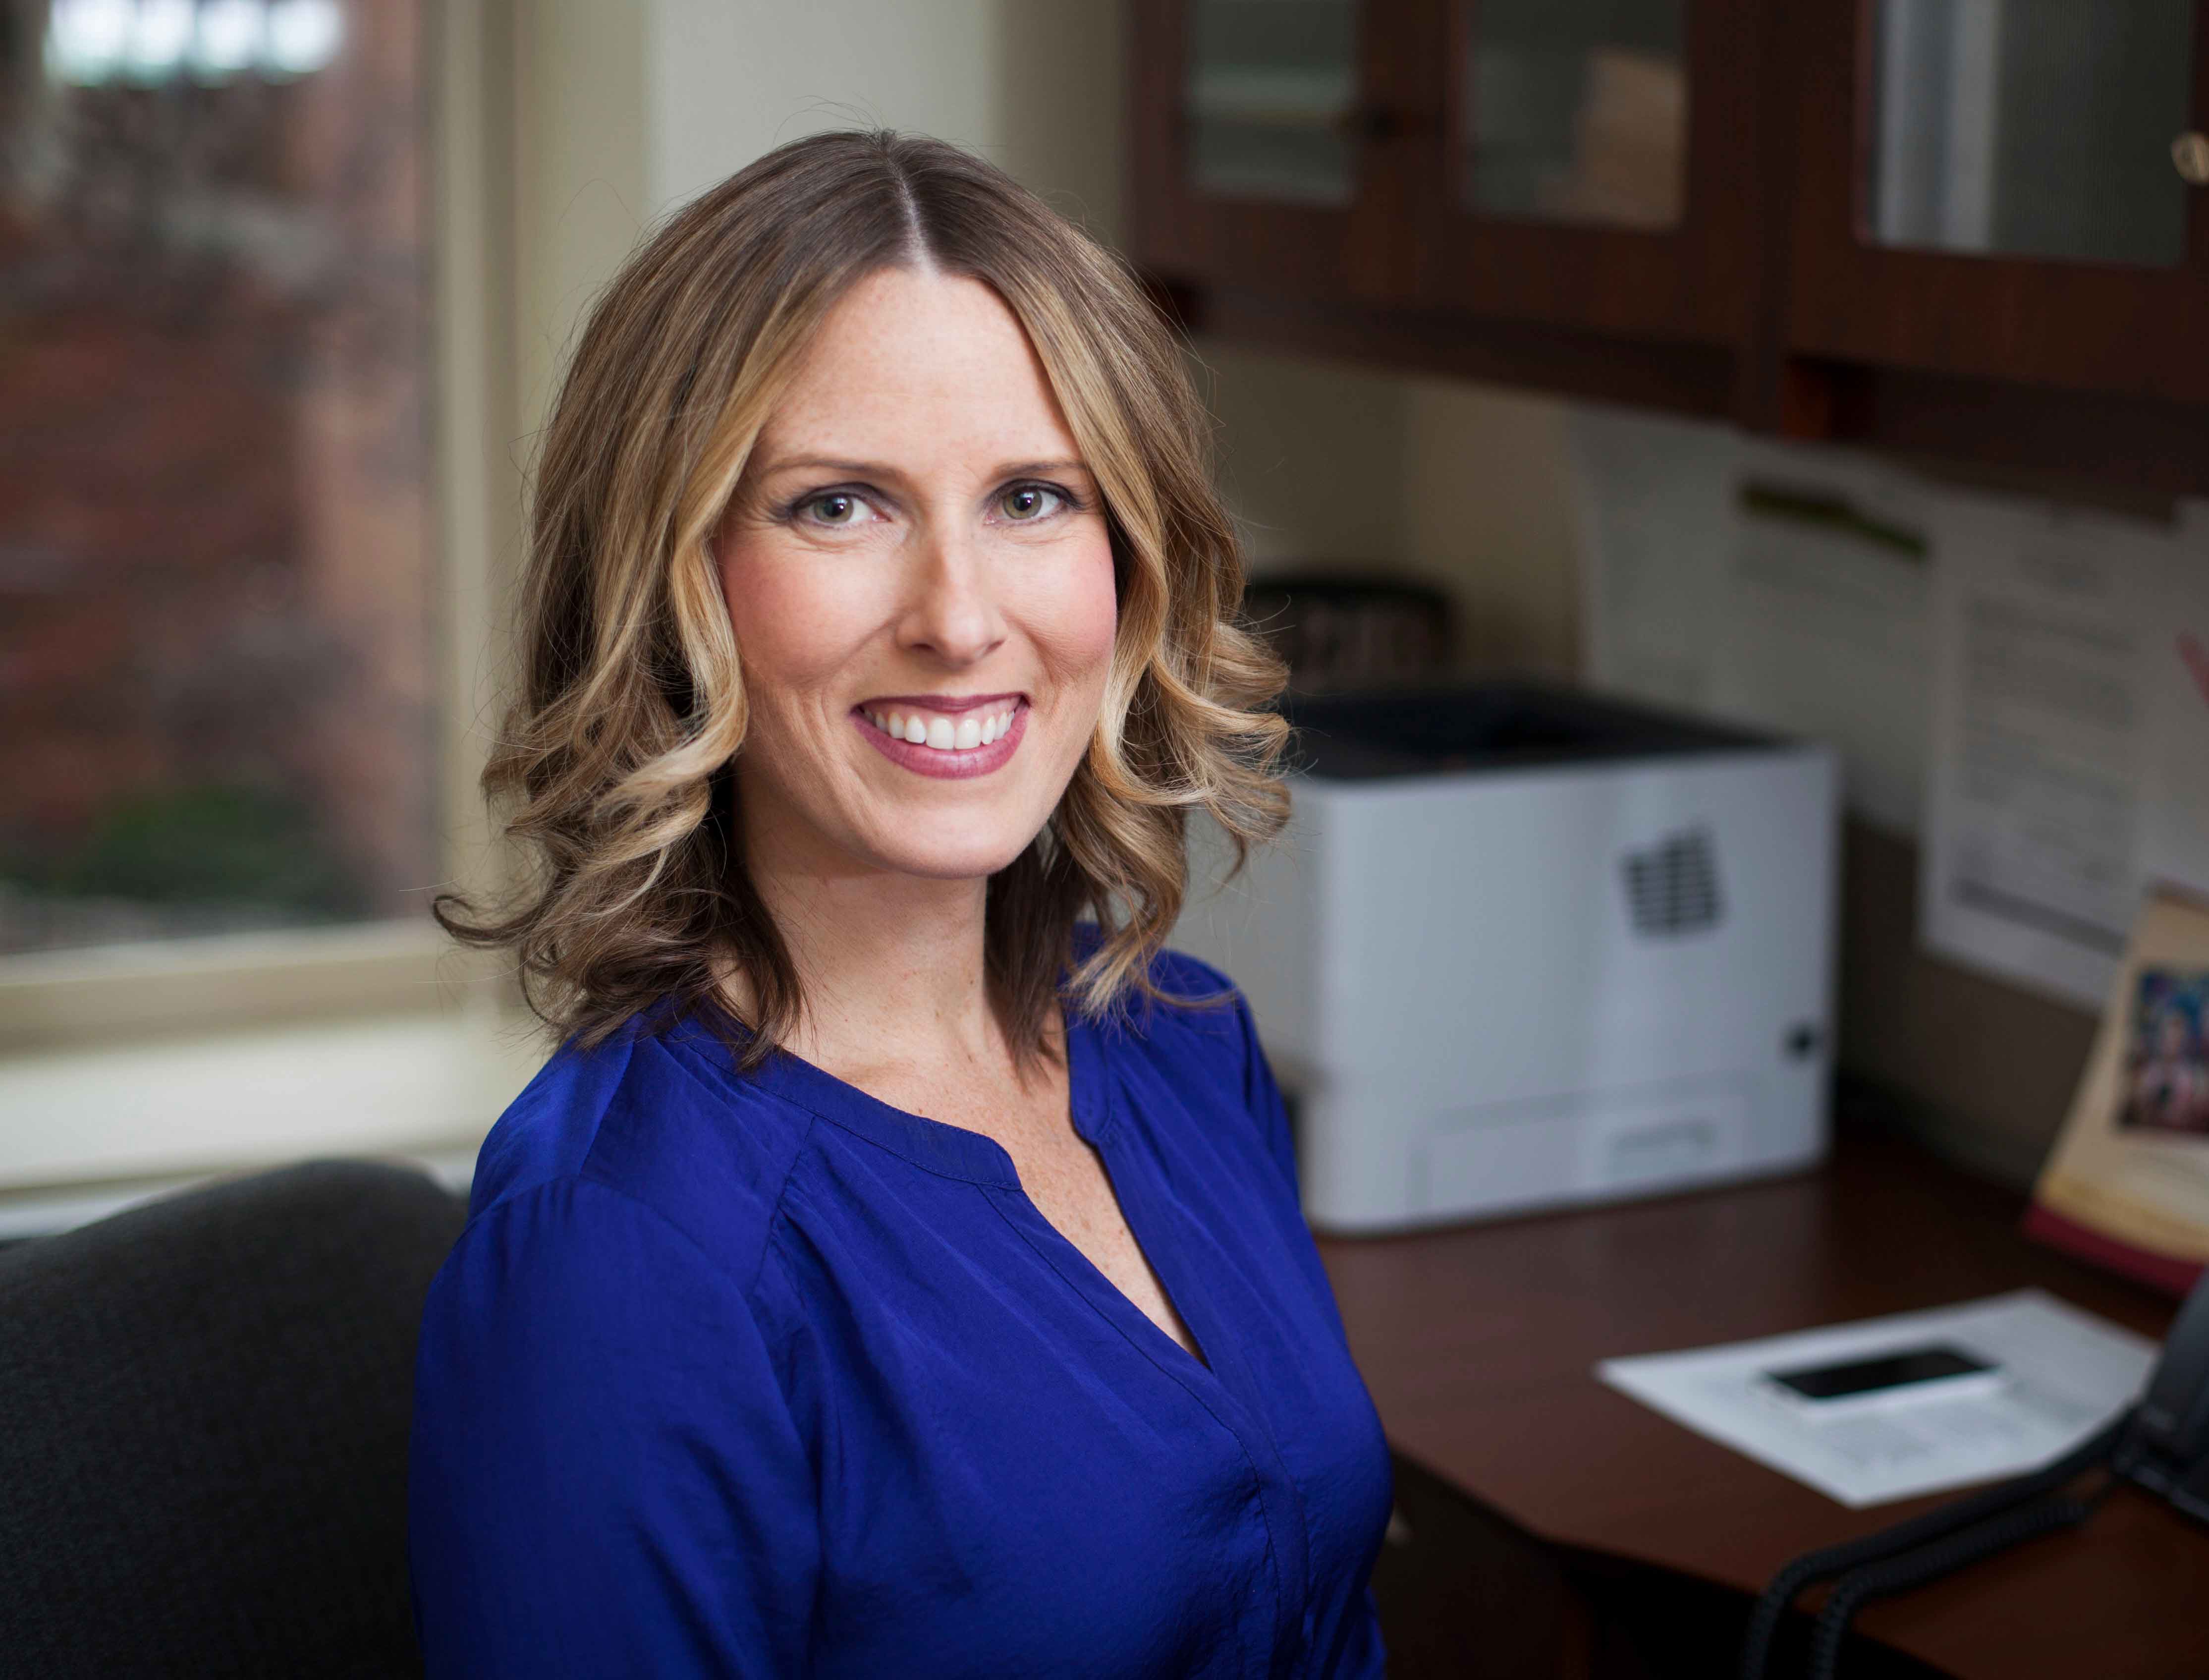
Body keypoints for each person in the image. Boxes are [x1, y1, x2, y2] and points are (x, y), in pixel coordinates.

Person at [406, 129, 1393, 1677]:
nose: (956, 617)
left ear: (1130, 560)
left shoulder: (1181, 1048)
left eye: (1032, 498)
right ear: (671, 579)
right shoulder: (625, 1256)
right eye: (837, 506)